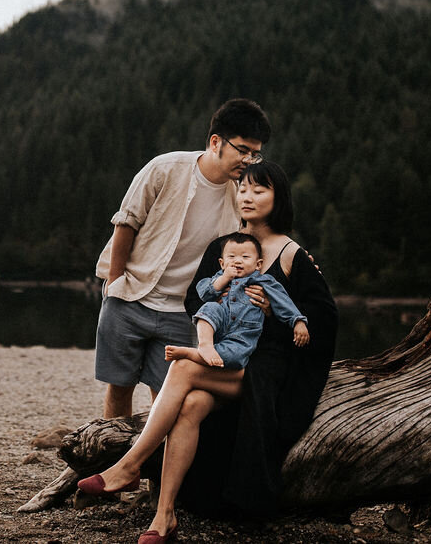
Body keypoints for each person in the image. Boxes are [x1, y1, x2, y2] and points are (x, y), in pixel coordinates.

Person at [80, 162, 338, 543]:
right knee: (191, 404)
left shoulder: (290, 253)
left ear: (278, 198)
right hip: (225, 358)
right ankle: (164, 515)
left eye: (259, 190)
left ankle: (129, 464)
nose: (248, 197)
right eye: (244, 189)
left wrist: (272, 313)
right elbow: (193, 298)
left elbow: (323, 318)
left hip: (265, 369)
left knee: (183, 368)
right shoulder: (226, 247)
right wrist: (223, 289)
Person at [94, 99, 272, 419]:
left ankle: (152, 467)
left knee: (165, 397)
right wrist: (116, 281)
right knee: (118, 387)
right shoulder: (165, 168)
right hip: (131, 295)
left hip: (182, 311)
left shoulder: (241, 198)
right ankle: (115, 466)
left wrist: (300, 261)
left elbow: (260, 244)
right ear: (216, 141)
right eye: (242, 149)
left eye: (254, 153)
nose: (249, 160)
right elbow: (126, 222)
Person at [168, 231, 309, 371]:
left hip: (242, 336)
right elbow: (203, 293)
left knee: (235, 357)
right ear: (222, 263)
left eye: (245, 257)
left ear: (258, 264)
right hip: (217, 326)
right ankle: (205, 344)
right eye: (231, 256)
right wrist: (224, 278)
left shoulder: (264, 282)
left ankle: (191, 354)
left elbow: (283, 301)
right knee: (209, 307)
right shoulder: (219, 278)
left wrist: (298, 321)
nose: (237, 260)